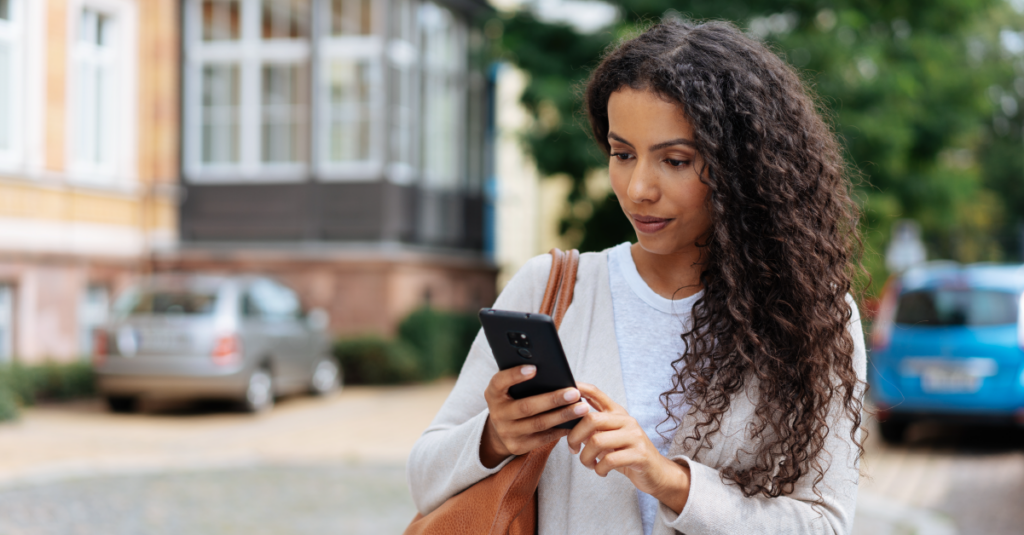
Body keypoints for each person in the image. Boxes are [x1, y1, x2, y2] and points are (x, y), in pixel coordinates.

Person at [408, 19, 866, 535]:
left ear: (744, 168)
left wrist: (669, 481)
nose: (638, 188)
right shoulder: (551, 289)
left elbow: (824, 524)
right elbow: (424, 476)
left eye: (674, 160)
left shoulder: (812, 314)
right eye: (622, 154)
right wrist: (495, 437)